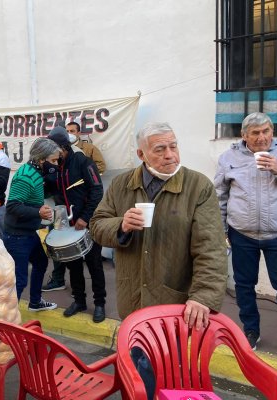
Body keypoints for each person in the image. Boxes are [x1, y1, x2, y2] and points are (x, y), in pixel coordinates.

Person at [90, 122, 227, 399]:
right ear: (142, 155)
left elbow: (211, 247)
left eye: (174, 146)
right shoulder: (122, 184)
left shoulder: (197, 185)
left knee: (169, 370)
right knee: (138, 366)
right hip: (134, 298)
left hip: (174, 304)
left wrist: (203, 296)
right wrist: (121, 225)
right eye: (160, 149)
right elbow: (97, 225)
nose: (170, 155)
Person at [215, 112, 277, 365]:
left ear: (272, 131)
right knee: (243, 285)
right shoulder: (229, 158)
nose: (262, 137)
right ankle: (250, 331)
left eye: (266, 131)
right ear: (244, 136)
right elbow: (219, 196)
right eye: (255, 133)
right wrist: (221, 231)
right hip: (242, 234)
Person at [45, 126, 107, 323]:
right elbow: (50, 191)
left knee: (94, 264)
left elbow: (97, 190)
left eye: (53, 149)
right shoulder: (53, 165)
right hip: (67, 226)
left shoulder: (82, 160)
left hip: (87, 224)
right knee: (73, 267)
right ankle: (79, 301)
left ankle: (99, 304)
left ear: (63, 148)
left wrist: (85, 217)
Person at [3, 137, 60, 312]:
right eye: (53, 161)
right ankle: (8, 320)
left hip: (28, 231)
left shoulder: (36, 172)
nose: (56, 164)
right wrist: (38, 212)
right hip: (17, 235)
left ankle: (35, 302)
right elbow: (12, 206)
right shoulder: (26, 177)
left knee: (41, 262)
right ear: (41, 159)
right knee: (19, 279)